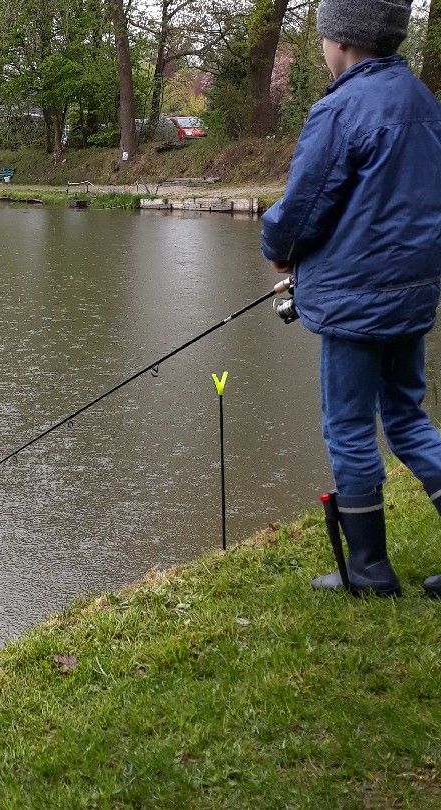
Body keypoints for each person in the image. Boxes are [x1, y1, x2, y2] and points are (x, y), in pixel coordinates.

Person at [260, 0, 441, 597]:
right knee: (409, 420)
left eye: (323, 38)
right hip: (412, 295)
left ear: (340, 41)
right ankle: (368, 566)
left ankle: (368, 570)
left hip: (355, 306)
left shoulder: (338, 109)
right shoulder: (422, 100)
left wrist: (279, 250)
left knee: (349, 428)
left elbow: (302, 210)